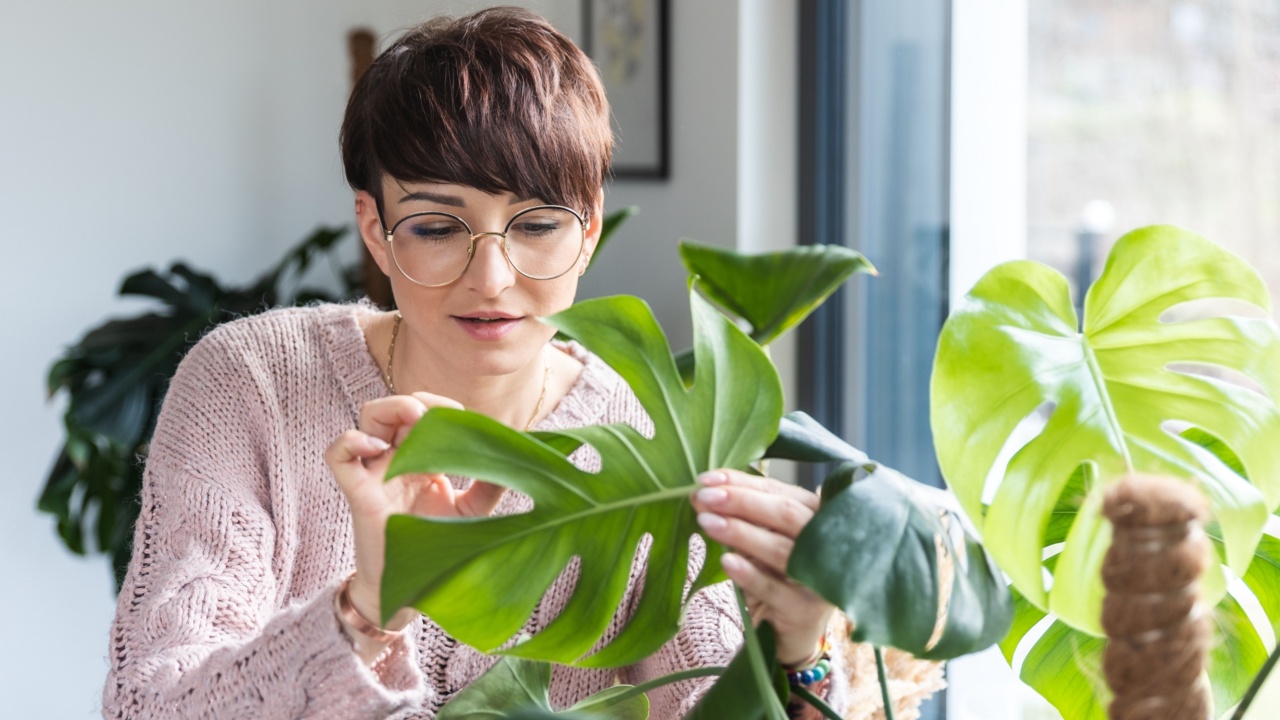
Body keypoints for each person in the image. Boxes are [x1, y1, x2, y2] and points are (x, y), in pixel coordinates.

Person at [103, 7, 943, 719]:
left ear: (588, 230)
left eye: (537, 224)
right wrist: (366, 607)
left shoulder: (652, 441)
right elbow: (149, 703)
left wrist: (800, 649)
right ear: (374, 228)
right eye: (437, 227)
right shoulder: (250, 385)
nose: (492, 279)